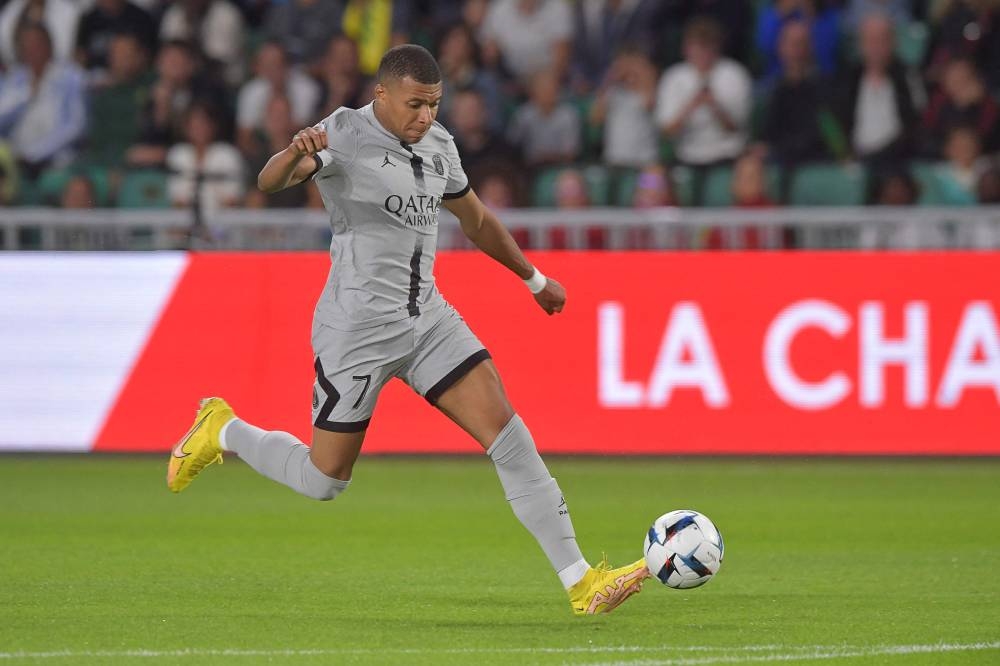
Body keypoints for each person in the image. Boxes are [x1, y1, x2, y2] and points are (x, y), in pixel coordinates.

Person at [165, 44, 649, 616]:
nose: (426, 117)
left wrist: (534, 277)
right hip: (357, 330)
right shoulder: (343, 131)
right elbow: (273, 180)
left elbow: (475, 220)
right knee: (326, 480)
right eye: (416, 105)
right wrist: (294, 150)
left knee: (508, 433)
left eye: (435, 105)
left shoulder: (440, 146)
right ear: (383, 95)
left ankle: (580, 582)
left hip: (428, 321)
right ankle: (223, 428)